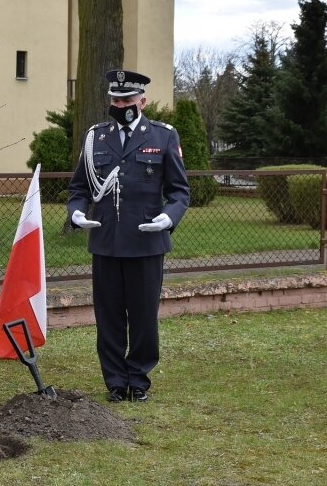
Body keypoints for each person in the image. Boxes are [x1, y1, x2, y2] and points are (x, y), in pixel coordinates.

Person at [67, 69, 190, 403]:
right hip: (106, 242)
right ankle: (115, 382)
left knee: (143, 317)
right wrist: (77, 214)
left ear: (142, 101)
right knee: (108, 318)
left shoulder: (163, 136)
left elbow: (180, 191)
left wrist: (168, 217)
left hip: (146, 243)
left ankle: (138, 378)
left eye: (127, 99)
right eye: (115, 99)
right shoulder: (96, 137)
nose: (120, 105)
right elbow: (78, 187)